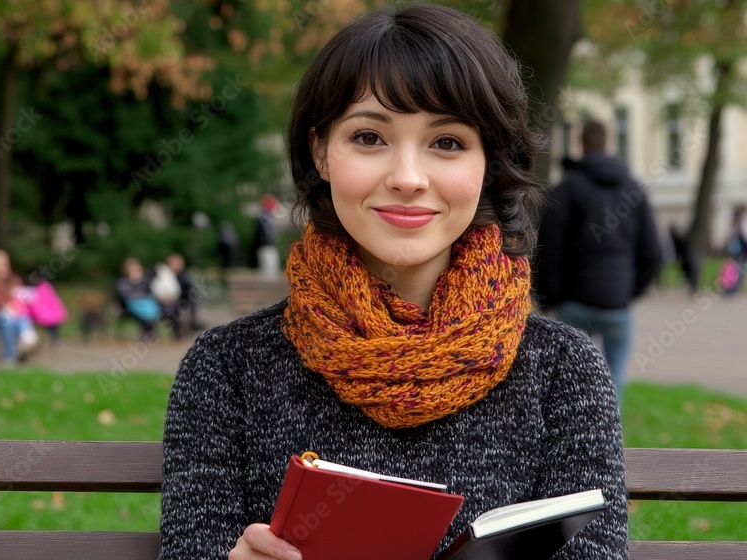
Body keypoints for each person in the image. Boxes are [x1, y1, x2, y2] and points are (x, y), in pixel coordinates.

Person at [160, 5, 628, 560]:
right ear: (320, 152)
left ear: (489, 163)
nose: (407, 178)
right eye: (368, 137)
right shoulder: (226, 368)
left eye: (447, 142)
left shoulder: (562, 371)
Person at [534, 119, 662, 403]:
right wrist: (631, 290)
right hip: (618, 303)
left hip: (575, 303)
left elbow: (549, 249)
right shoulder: (634, 189)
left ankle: (576, 440)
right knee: (615, 378)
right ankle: (611, 440)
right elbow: (653, 251)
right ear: (608, 143)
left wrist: (549, 298)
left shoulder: (566, 189)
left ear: (581, 143)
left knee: (572, 379)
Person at [115, 257, 163, 341]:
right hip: (129, 307)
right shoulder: (123, 282)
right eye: (133, 270)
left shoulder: (145, 281)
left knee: (152, 311)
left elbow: (151, 292)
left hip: (146, 306)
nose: (135, 273)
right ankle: (148, 333)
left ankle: (149, 333)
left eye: (137, 270)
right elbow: (125, 296)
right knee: (144, 313)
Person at [721, 205, 747, 294]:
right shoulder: (743, 221)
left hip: (733, 249)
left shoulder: (733, 222)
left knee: (733, 267)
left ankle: (729, 287)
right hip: (740, 249)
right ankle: (734, 289)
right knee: (740, 268)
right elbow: (744, 235)